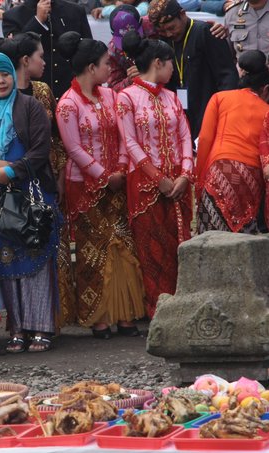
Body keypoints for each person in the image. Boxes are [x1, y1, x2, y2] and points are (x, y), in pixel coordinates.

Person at [0, 53, 60, 353]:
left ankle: (40, 327)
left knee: (36, 258)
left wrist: (12, 170)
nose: (0, 81)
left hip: (32, 194)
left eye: (4, 74)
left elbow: (41, 149)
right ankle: (17, 327)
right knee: (7, 262)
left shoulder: (29, 107)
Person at [55, 32, 145, 339]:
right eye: (107, 63)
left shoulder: (110, 96)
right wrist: (105, 177)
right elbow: (74, 149)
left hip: (116, 182)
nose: (111, 68)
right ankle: (100, 318)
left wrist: (120, 169)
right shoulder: (67, 105)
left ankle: (126, 316)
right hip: (85, 187)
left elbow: (123, 135)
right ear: (91, 67)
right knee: (93, 252)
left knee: (122, 245)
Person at [0, 33, 76, 325]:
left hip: (43, 182)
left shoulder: (40, 93)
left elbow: (53, 141)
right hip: (7, 187)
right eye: (40, 56)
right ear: (24, 61)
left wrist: (61, 173)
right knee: (13, 254)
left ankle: (48, 321)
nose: (44, 61)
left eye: (4, 75)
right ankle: (20, 324)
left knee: (45, 248)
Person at [116, 31, 194, 317]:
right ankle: (157, 310)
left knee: (179, 242)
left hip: (178, 178)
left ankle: (182, 303)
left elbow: (185, 135)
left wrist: (185, 174)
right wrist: (156, 177)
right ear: (158, 63)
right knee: (151, 247)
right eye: (170, 64)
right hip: (147, 183)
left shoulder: (172, 97)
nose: (173, 69)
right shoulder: (127, 98)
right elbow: (130, 141)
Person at [196, 50, 269, 233]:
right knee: (243, 237)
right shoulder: (266, 110)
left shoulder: (220, 98)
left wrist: (199, 181)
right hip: (251, 177)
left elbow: (204, 140)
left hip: (220, 170)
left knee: (209, 236)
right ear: (265, 89)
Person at [148, 0, 238, 140]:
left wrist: (224, 112)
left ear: (183, 14)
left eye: (172, 28)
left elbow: (226, 76)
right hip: (179, 114)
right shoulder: (163, 41)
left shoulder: (205, 32)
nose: (169, 33)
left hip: (207, 109)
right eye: (163, 31)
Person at [2, 0, 93, 100]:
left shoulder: (75, 11)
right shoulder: (12, 16)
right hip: (33, 96)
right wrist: (37, 21)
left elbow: (89, 53)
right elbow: (16, 53)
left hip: (73, 91)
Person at [107, 5, 146, 92]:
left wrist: (148, 71)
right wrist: (130, 80)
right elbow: (113, 89)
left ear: (141, 23)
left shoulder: (153, 27)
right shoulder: (113, 51)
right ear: (113, 34)